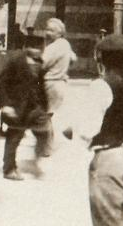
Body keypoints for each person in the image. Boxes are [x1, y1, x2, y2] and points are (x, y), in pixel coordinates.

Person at [63, 35, 123, 226]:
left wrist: (71, 131)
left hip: (110, 158)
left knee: (106, 221)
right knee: (122, 218)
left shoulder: (101, 85)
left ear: (101, 57)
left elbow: (88, 128)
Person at [1, 46, 50, 180]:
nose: (36, 63)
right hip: (18, 107)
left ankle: (37, 158)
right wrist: (6, 105)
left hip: (35, 107)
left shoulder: (40, 64)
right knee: (14, 137)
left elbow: (41, 87)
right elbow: (4, 84)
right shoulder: (15, 63)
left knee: (44, 132)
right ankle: (9, 169)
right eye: (33, 59)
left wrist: (45, 107)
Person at [41, 18, 77, 153]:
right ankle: (66, 127)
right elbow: (73, 58)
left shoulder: (52, 47)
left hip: (50, 83)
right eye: (47, 29)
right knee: (55, 112)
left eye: (51, 30)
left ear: (59, 33)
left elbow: (43, 64)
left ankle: (47, 147)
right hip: (61, 83)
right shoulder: (66, 44)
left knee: (46, 115)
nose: (47, 33)